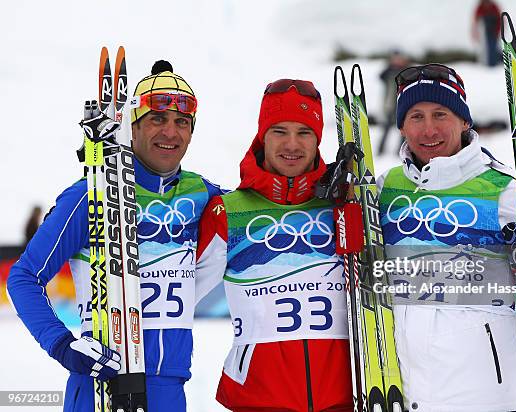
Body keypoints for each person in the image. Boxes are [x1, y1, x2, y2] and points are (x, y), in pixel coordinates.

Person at [376, 63, 516, 411]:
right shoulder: (385, 189)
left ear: (464, 121)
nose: (428, 128)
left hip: (483, 397)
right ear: (401, 125)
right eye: (415, 116)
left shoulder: (503, 189)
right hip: (405, 393)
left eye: (441, 114)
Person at [7, 60, 223, 412]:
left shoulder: (206, 197)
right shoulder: (89, 193)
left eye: (182, 122)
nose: (170, 132)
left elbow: (265, 206)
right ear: (130, 128)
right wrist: (62, 345)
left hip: (170, 387)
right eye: (157, 119)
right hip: (99, 388)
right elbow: (24, 277)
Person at [194, 79, 353, 411]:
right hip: (258, 398)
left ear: (318, 138)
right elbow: (181, 294)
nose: (292, 144)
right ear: (262, 137)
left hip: (343, 397)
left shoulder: (342, 206)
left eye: (304, 132)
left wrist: (354, 205)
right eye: (279, 131)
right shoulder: (228, 212)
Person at [378, 50, 410, 155]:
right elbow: (381, 76)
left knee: (403, 130)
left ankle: (400, 151)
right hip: (390, 105)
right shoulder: (389, 72)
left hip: (402, 105)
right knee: (386, 129)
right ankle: (380, 150)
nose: (397, 61)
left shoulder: (406, 72)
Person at [472, 0, 502, 67]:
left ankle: (493, 64)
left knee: (493, 47)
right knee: (488, 48)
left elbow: (500, 20)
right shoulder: (480, 7)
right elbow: (476, 20)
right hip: (486, 32)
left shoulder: (494, 7)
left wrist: (498, 31)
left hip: (494, 31)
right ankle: (490, 63)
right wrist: (476, 33)